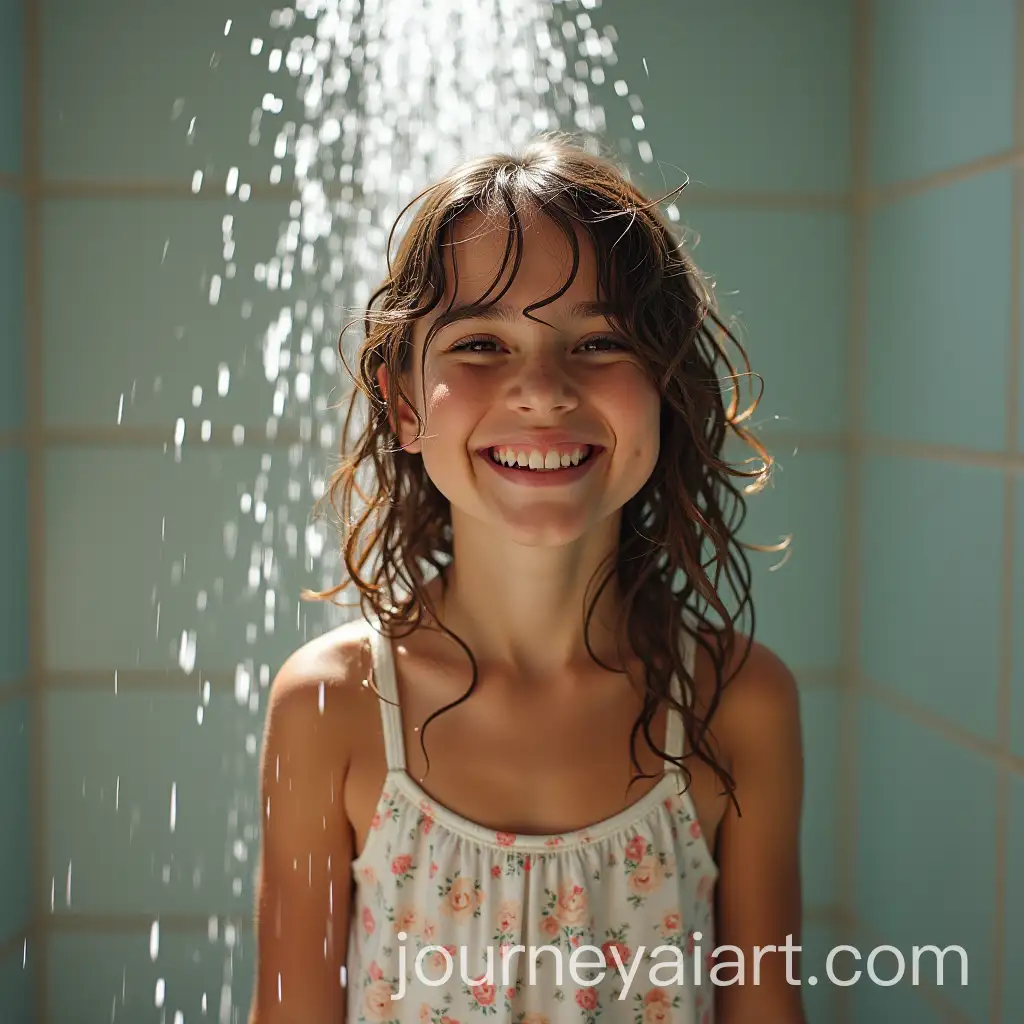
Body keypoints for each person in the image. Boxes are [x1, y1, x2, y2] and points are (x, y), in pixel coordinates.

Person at [249, 134, 805, 1024]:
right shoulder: (333, 705)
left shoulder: (736, 702)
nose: (542, 389)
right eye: (479, 344)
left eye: (598, 342)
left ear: (663, 387)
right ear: (401, 404)